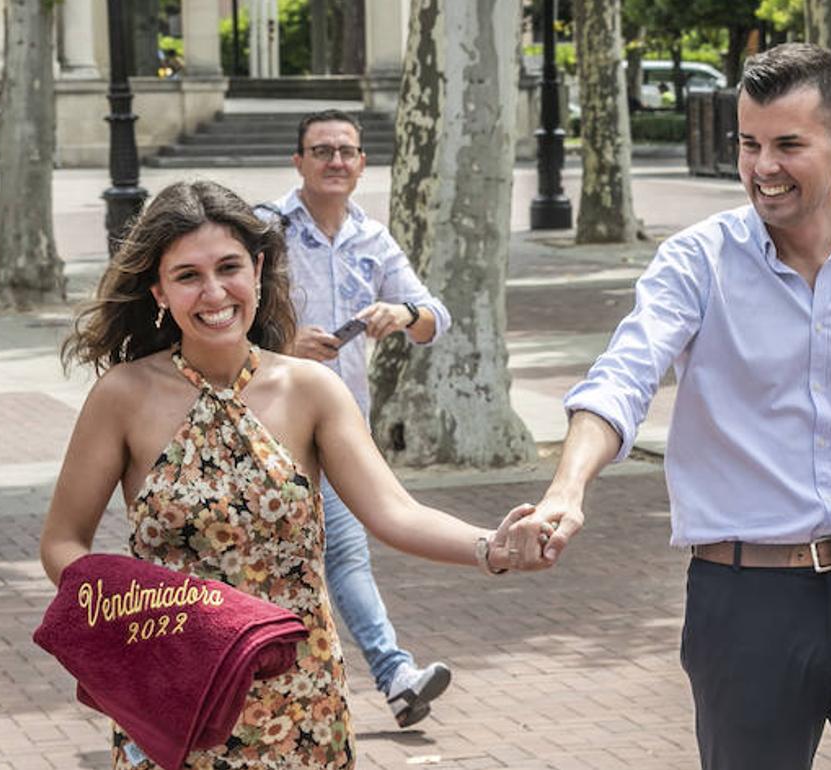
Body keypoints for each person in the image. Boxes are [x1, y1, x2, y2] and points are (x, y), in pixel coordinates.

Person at [511, 43, 831, 770]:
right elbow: (623, 376)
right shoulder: (698, 260)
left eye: (788, 144)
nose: (762, 167)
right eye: (749, 144)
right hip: (746, 599)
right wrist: (567, 488)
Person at [40, 180, 537, 770]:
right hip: (177, 690)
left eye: (229, 267)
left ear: (257, 270)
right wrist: (149, 609)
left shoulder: (311, 389)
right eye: (188, 275)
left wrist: (491, 547)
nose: (214, 292)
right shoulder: (122, 395)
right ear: (158, 291)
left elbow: (394, 513)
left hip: (299, 696)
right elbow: (62, 543)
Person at [257, 109, 455, 729]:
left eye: (346, 151)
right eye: (322, 150)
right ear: (298, 161)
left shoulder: (373, 237)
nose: (336, 161)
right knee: (261, 560)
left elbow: (434, 316)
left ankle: (396, 676)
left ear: (362, 163)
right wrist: (284, 342)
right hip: (266, 424)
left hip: (341, 431)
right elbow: (228, 319)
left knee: (345, 553)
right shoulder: (266, 229)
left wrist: (401, 313)